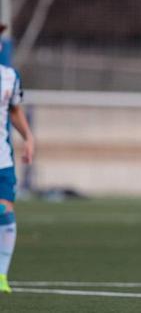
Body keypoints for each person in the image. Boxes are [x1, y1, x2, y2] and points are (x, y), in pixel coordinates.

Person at [0, 23, 35, 293]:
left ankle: (1, 276)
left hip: (3, 159)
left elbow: (14, 111)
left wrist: (29, 138)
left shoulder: (10, 76)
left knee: (6, 214)